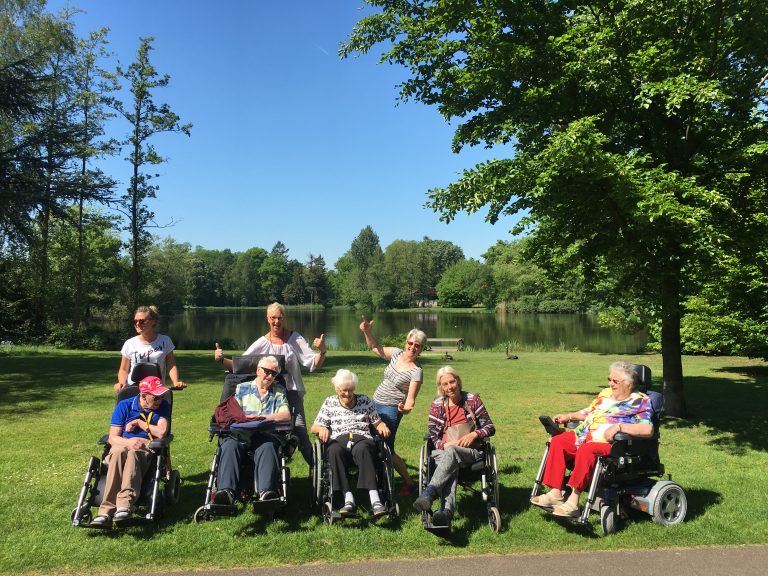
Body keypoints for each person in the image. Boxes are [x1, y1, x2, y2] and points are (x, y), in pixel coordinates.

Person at [529, 360, 653, 518]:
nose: (611, 384)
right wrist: (570, 415)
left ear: (629, 384)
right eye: (609, 379)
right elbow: (589, 412)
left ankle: (573, 501)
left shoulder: (639, 401)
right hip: (583, 436)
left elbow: (647, 429)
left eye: (615, 381)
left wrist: (619, 427)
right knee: (558, 441)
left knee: (588, 449)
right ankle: (556, 493)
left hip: (611, 444)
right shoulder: (605, 394)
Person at [214, 302, 326, 467]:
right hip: (270, 392)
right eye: (273, 318)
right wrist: (221, 360)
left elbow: (313, 362)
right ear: (268, 319)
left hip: (291, 392)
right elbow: (240, 366)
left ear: (284, 318)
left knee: (300, 430)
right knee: (265, 428)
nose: (276, 322)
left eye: (279, 318)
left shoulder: (295, 339)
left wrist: (322, 351)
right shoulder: (262, 343)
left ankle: (317, 468)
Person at [412, 366, 495, 526]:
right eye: (445, 384)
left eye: (452, 381)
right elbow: (433, 437)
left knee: (451, 453)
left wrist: (475, 434)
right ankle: (446, 514)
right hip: (444, 452)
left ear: (458, 381)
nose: (450, 386)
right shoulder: (437, 405)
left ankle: (429, 493)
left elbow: (490, 427)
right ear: (440, 387)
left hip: (471, 452)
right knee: (450, 457)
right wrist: (445, 444)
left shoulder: (472, 400)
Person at [91, 376, 171, 527]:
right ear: (143, 395)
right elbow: (112, 437)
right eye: (156, 398)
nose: (159, 400)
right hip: (122, 443)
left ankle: (124, 505)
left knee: (134, 452)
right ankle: (105, 511)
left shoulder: (163, 406)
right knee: (117, 453)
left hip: (147, 444)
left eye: (161, 396)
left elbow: (161, 432)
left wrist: (140, 423)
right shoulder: (124, 405)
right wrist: (129, 442)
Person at [359, 315, 425, 496]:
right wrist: (367, 332)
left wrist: (406, 408)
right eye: (410, 343)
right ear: (406, 342)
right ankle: (372, 476)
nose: (412, 347)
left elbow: (411, 399)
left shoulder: (416, 371)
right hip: (373, 403)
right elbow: (375, 348)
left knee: (385, 447)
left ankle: (408, 482)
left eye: (416, 346)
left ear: (421, 349)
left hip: (391, 410)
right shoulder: (396, 353)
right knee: (366, 439)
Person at [311, 369, 391, 518]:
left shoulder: (365, 400)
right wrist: (321, 428)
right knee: (334, 451)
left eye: (351, 390)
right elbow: (314, 427)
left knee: (363, 449)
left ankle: (375, 501)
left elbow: (377, 422)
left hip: (361, 438)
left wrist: (382, 426)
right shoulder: (330, 402)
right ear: (336, 389)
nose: (347, 394)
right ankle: (348, 499)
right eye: (344, 391)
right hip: (339, 439)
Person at [213, 355, 291, 506]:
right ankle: (226, 492)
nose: (269, 376)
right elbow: (235, 414)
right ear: (257, 370)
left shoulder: (278, 390)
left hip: (265, 435)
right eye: (266, 371)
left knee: (268, 446)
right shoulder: (242, 388)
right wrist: (267, 417)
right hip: (239, 435)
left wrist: (258, 418)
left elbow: (286, 415)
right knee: (229, 446)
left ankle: (266, 493)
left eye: (274, 373)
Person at [114, 305, 186, 393]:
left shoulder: (165, 341)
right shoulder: (130, 343)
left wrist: (175, 382)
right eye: (135, 321)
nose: (137, 324)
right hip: (134, 390)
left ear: (153, 322)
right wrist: (121, 383)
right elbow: (124, 369)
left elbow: (171, 365)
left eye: (142, 321)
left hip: (157, 391)